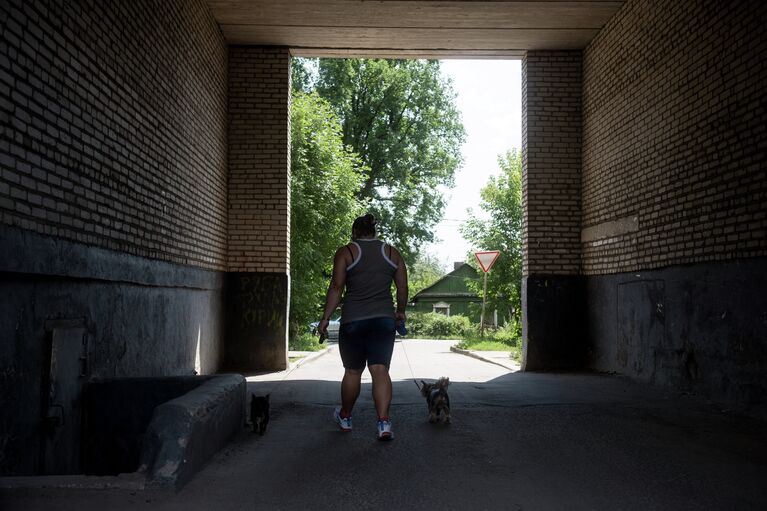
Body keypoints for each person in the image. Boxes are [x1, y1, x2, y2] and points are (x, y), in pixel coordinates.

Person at [317, 213, 408, 440]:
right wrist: (400, 311)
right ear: (374, 232)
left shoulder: (346, 252)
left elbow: (337, 286)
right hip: (383, 320)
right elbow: (402, 287)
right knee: (380, 370)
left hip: (353, 321)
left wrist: (326, 317)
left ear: (355, 232)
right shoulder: (391, 253)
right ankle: (384, 423)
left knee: (352, 371)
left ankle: (346, 416)